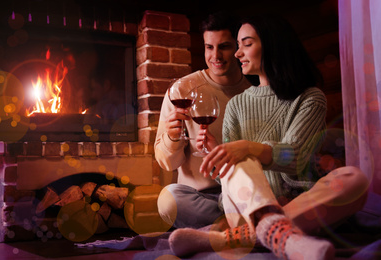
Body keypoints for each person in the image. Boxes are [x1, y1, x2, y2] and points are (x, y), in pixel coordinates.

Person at [168, 14, 369, 260]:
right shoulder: (237, 105)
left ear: (272, 44)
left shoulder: (309, 98)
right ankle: (276, 231)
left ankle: (234, 236)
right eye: (238, 45)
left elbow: (295, 158)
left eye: (247, 44)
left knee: (354, 179)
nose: (237, 54)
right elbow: (228, 183)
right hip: (244, 206)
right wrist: (219, 152)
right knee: (182, 191)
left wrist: (248, 147)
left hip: (297, 202)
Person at [154, 11, 251, 229]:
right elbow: (167, 163)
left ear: (238, 47)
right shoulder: (181, 90)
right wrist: (171, 137)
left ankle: (222, 228)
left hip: (241, 194)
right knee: (170, 199)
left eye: (224, 46)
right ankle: (236, 226)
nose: (216, 55)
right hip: (199, 197)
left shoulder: (253, 93)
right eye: (209, 47)